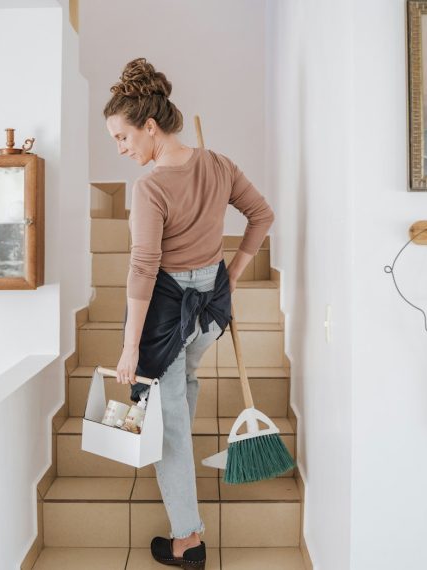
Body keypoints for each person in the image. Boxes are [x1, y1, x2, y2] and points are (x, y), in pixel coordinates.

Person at [103, 57, 274, 569]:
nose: (121, 147)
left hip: (168, 312)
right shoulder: (218, 164)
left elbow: (143, 269)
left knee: (169, 423)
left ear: (149, 125)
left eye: (122, 136)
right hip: (211, 307)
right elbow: (261, 214)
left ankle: (187, 540)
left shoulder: (151, 187)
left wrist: (131, 346)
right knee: (183, 386)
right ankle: (179, 441)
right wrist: (235, 271)